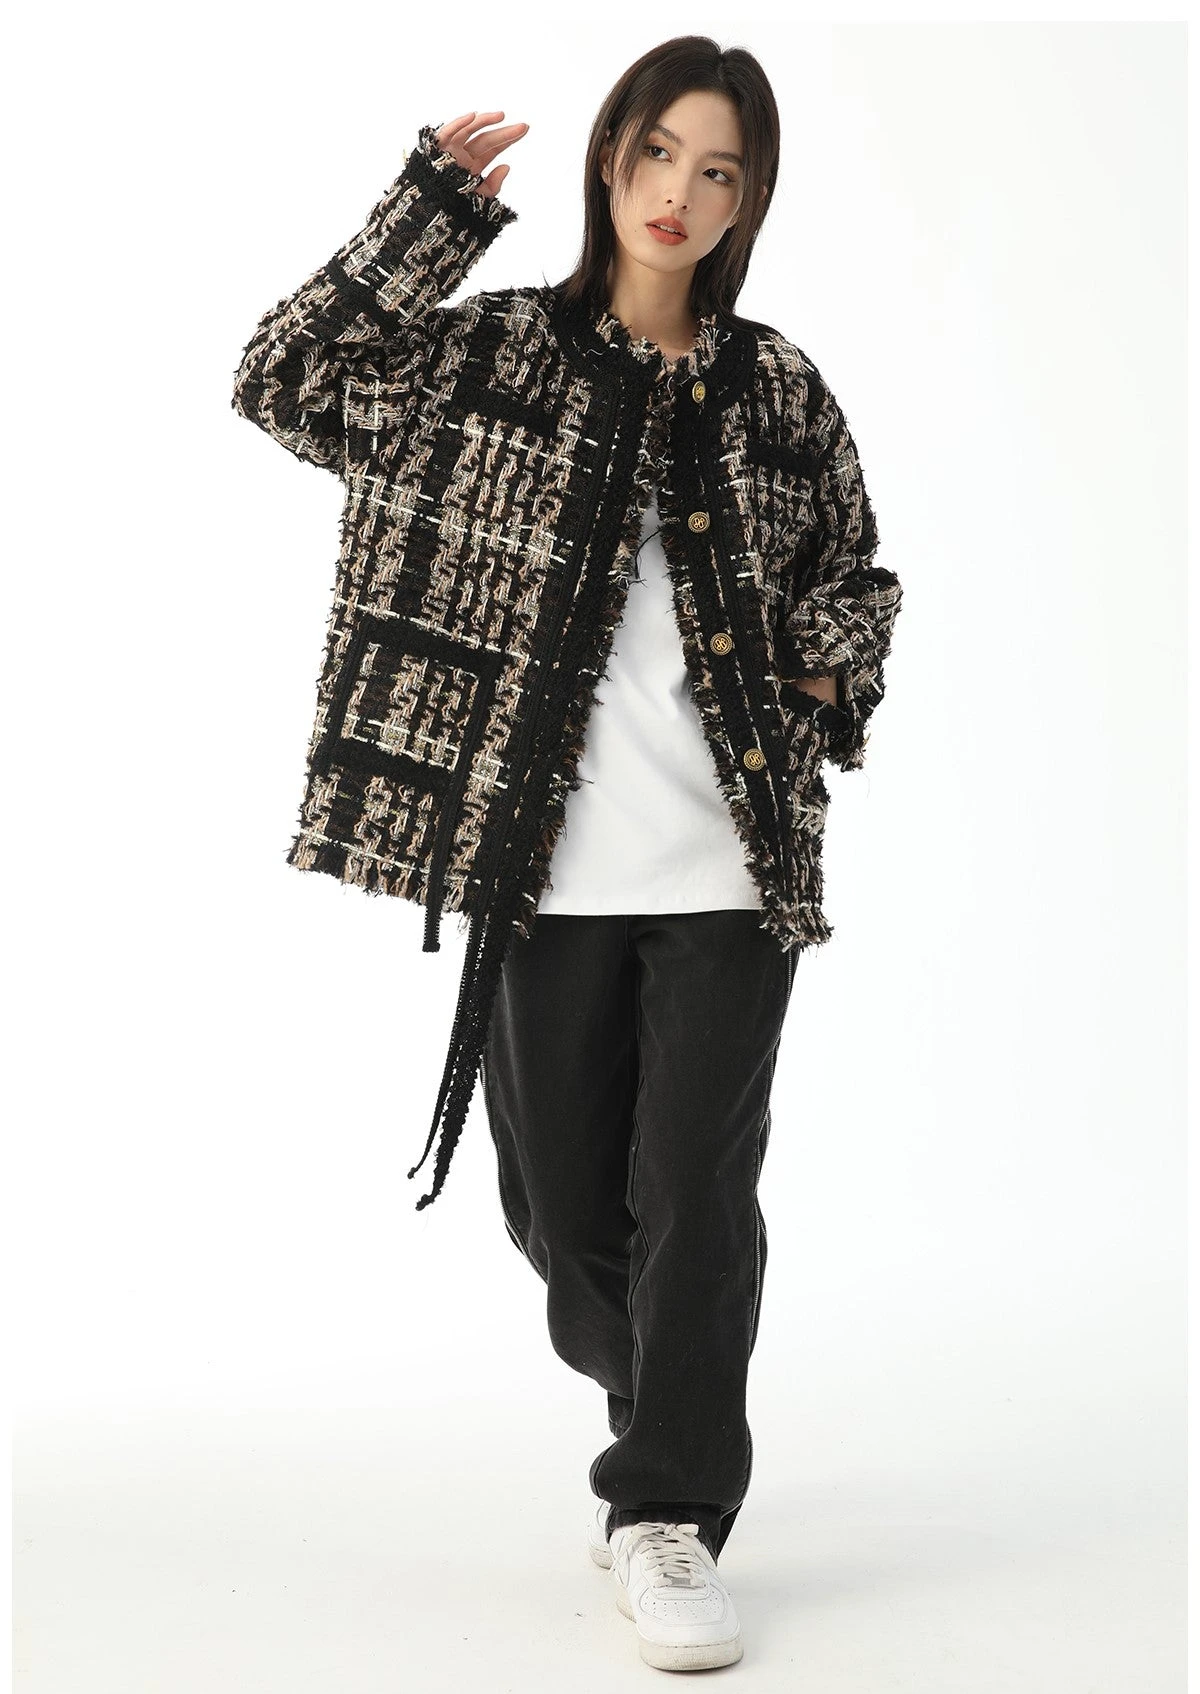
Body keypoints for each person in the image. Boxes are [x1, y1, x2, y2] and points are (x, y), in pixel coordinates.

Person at [232, 35, 903, 1675]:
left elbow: (858, 577)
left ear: (747, 202)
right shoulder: (488, 357)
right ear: (612, 158)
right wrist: (422, 221)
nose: (681, 193)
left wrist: (816, 670)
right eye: (661, 153)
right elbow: (283, 382)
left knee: (696, 1192)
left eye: (719, 171)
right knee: (556, 1209)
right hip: (540, 868)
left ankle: (664, 1505)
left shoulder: (778, 388)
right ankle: (674, 1381)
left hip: (733, 872)